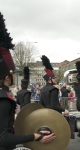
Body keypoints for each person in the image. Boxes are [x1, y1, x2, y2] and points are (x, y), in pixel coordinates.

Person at [0, 12, 55, 150]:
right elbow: (3, 138)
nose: (15, 76)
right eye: (14, 73)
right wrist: (34, 137)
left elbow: (7, 132)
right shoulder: (3, 100)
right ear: (7, 77)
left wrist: (34, 133)